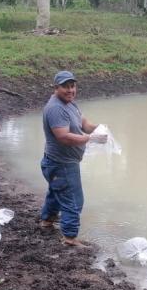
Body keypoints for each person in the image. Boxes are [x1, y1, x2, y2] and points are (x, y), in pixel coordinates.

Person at [40, 70, 107, 247]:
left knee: (57, 192)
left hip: (57, 163)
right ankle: (70, 238)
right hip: (61, 164)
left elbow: (83, 123)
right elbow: (63, 137)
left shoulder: (70, 104)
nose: (70, 90)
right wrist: (90, 139)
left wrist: (99, 129)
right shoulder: (55, 108)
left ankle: (47, 221)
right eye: (65, 87)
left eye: (72, 86)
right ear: (56, 88)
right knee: (73, 200)